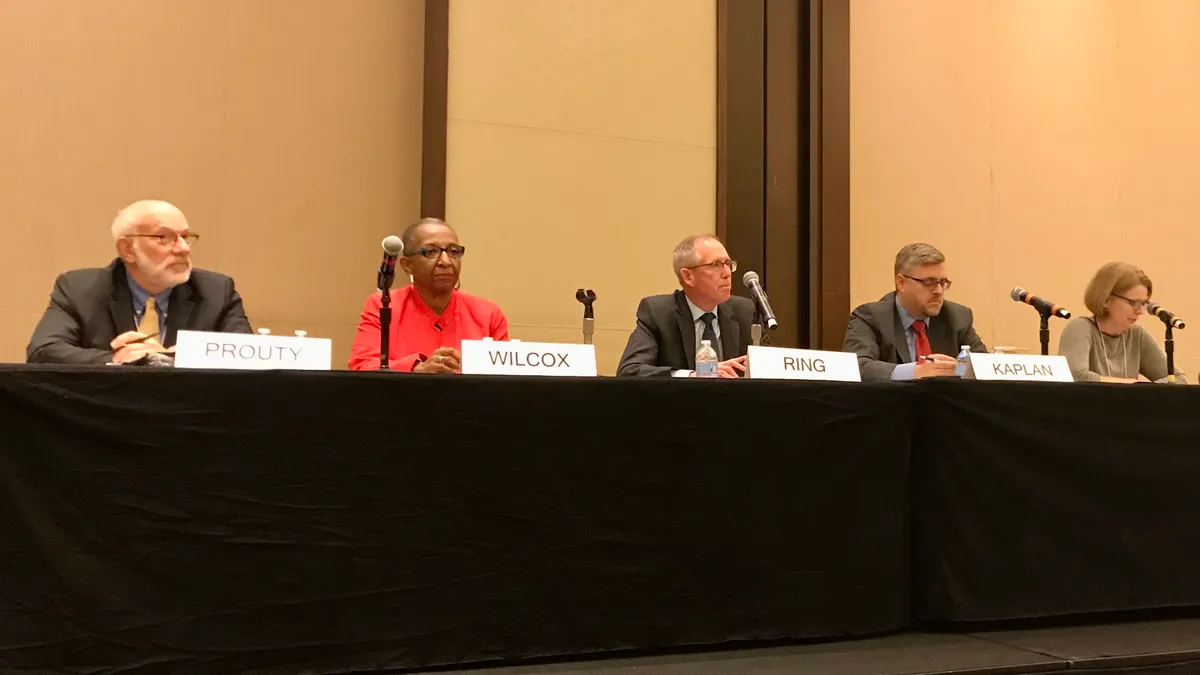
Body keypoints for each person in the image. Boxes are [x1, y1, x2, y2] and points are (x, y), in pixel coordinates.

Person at [26, 199, 252, 365]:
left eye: (185, 236)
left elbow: (248, 356)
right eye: (163, 237)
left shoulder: (216, 291)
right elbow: (43, 351)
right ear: (127, 249)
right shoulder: (79, 288)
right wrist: (117, 358)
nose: (183, 248)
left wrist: (167, 358)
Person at [349, 217, 508, 372]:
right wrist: (416, 368)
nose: (445, 261)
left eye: (453, 251)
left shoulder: (488, 314)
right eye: (431, 251)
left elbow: (507, 376)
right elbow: (362, 364)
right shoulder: (384, 305)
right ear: (407, 265)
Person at [843, 242, 987, 381]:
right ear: (901, 283)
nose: (938, 291)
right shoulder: (870, 317)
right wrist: (915, 371)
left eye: (943, 283)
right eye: (928, 282)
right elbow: (858, 367)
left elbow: (985, 366)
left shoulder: (958, 317)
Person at [616, 234, 754, 378]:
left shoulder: (745, 311)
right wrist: (692, 375)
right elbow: (630, 371)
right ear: (688, 276)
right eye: (716, 265)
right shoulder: (658, 313)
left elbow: (773, 369)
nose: (727, 273)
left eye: (728, 263)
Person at [1057, 262, 1186, 384]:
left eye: (1143, 303)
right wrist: (1130, 385)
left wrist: (1140, 390)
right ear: (1106, 300)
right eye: (1133, 303)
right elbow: (1074, 375)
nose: (1140, 311)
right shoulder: (1080, 328)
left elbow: (1178, 378)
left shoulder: (1137, 334)